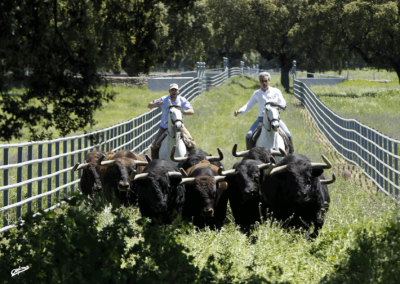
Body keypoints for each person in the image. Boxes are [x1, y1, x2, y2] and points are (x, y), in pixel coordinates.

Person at [234, 72, 294, 152]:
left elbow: (283, 103)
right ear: (260, 82)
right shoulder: (257, 93)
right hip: (261, 119)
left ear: (269, 81)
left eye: (266, 81)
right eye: (262, 81)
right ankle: (249, 154)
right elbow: (249, 104)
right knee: (249, 134)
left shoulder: (276, 91)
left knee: (287, 133)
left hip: (275, 119)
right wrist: (240, 110)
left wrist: (276, 110)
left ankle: (290, 153)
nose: (264, 83)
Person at [147, 83, 195, 159]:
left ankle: (191, 162)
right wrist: (155, 103)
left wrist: (183, 112)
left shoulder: (182, 100)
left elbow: (192, 111)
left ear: (178, 91)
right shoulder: (163, 99)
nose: (174, 92)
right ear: (169, 91)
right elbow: (149, 106)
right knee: (155, 144)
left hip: (179, 126)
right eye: (172, 90)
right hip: (164, 127)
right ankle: (154, 162)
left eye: (175, 90)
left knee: (192, 143)